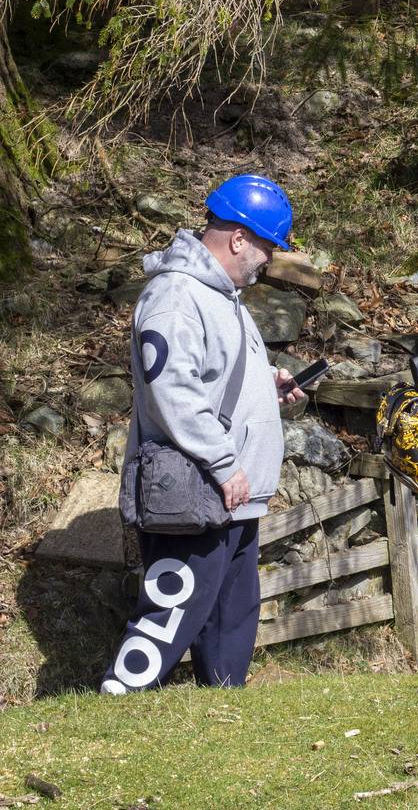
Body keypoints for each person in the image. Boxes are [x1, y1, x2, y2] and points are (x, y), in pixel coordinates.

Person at [102, 175, 307, 693]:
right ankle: (117, 699)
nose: (269, 259)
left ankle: (221, 711)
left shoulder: (222, 297)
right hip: (196, 492)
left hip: (229, 492)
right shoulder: (176, 296)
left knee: (230, 616)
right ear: (239, 238)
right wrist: (222, 462)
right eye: (266, 246)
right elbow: (172, 391)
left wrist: (269, 388)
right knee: (172, 611)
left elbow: (213, 380)